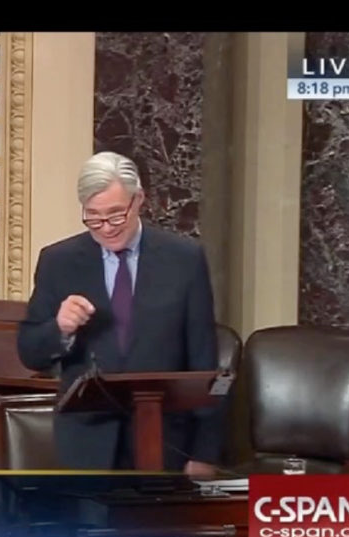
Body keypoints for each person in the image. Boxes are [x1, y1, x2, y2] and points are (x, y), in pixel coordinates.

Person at [17, 151, 222, 475]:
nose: (106, 228)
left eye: (115, 215)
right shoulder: (59, 262)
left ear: (138, 200)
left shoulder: (185, 260)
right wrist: (60, 328)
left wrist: (204, 452)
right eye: (93, 218)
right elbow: (30, 352)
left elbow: (205, 363)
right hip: (86, 448)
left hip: (164, 443)